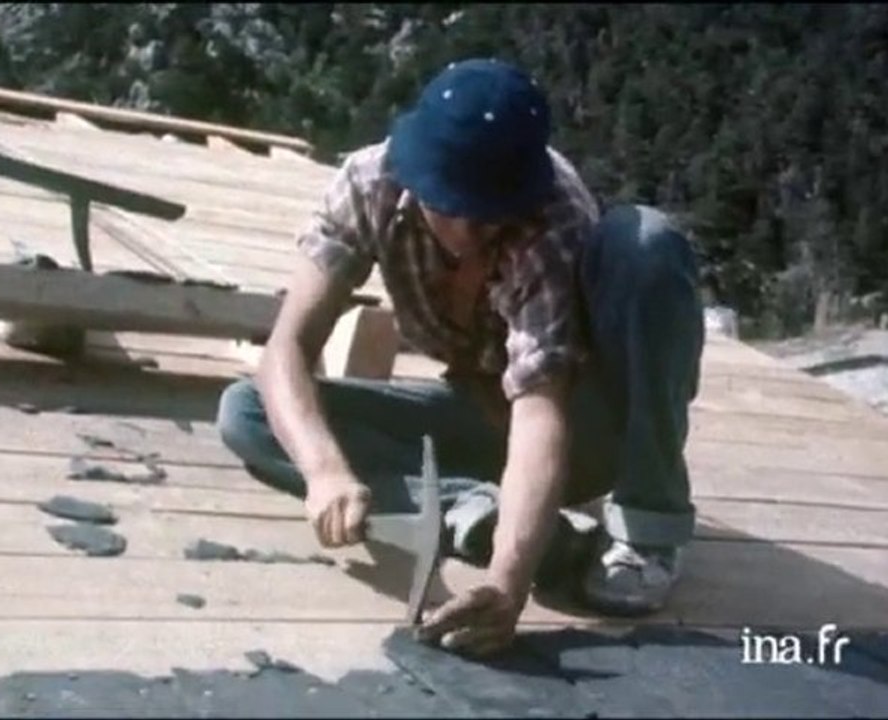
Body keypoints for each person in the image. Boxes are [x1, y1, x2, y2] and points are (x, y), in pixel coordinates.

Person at [217, 58, 705, 657]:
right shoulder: (369, 181)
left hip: (577, 428)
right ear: (415, 174)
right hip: (479, 410)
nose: (469, 233)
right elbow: (288, 346)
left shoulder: (553, 218)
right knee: (247, 411)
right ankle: (480, 512)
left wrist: (507, 586)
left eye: (488, 214)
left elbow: (539, 410)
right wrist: (325, 471)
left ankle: (645, 530)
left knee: (646, 244)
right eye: (450, 207)